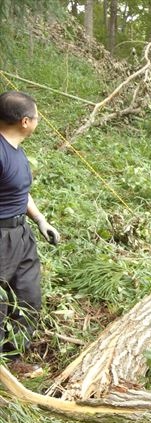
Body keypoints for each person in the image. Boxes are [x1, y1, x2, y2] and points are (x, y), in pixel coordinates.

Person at [0, 91, 60, 366]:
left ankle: (13, 359)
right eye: (36, 116)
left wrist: (40, 221)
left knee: (27, 296)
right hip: (2, 238)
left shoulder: (16, 150)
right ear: (25, 121)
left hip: (21, 234)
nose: (38, 120)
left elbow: (20, 193)